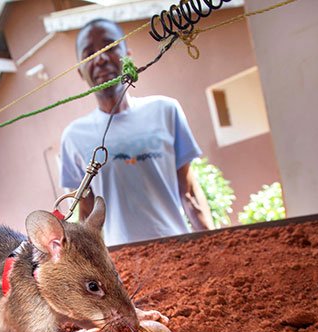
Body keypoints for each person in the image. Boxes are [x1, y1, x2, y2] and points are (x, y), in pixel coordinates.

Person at [60, 18, 215, 247]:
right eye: (89, 53)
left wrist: (214, 244)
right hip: (120, 264)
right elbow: (86, 214)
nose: (101, 58)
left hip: (179, 248)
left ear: (128, 55)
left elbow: (189, 193)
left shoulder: (165, 111)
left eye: (109, 46)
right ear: (81, 72)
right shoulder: (73, 137)